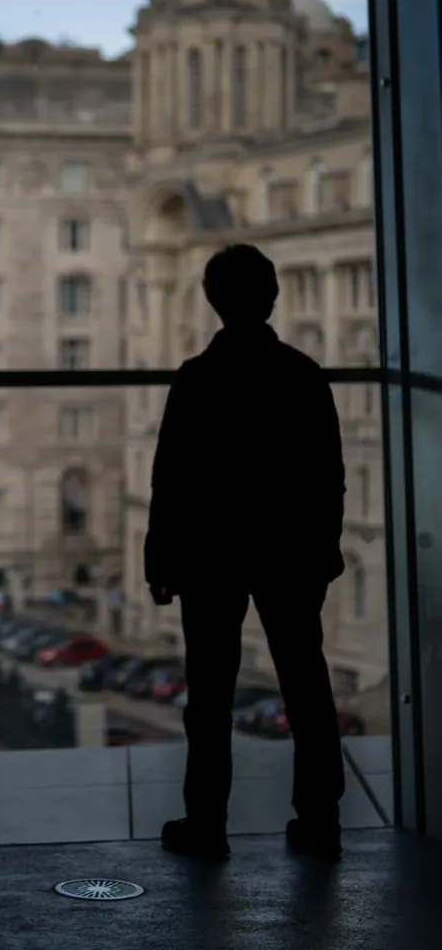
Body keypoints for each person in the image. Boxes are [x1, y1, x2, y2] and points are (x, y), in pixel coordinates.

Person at [144, 243, 347, 862]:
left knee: (209, 695)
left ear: (213, 301)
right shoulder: (303, 374)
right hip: (287, 551)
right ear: (274, 296)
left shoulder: (197, 378)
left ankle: (207, 825)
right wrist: (325, 551)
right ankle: (319, 820)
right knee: (306, 687)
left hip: (211, 552)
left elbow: (169, 479)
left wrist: (161, 557)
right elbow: (328, 476)